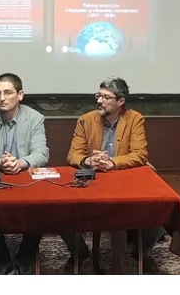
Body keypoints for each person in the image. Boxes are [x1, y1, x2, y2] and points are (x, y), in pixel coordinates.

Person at [65, 76, 165, 273]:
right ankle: (80, 252)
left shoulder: (134, 119)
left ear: (120, 101)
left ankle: (142, 251)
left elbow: (140, 154)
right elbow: (73, 155)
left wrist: (112, 162)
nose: (99, 101)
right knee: (60, 210)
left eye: (106, 97)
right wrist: (89, 160)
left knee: (159, 207)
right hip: (95, 179)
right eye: (98, 95)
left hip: (124, 178)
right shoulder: (86, 120)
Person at [0, 73, 49, 275]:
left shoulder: (34, 118)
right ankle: (1, 258)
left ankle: (25, 257)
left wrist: (21, 163)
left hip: (26, 181)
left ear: (20, 95)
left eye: (7, 93)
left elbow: (41, 154)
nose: (2, 98)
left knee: (41, 208)